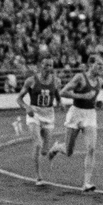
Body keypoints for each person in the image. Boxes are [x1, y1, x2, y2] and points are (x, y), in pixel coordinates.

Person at [46, 53, 103, 191]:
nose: (100, 67)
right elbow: (62, 92)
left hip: (90, 114)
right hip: (76, 113)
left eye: (102, 65)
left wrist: (97, 103)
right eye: (98, 64)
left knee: (91, 148)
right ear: (91, 65)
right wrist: (81, 95)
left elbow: (92, 99)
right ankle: (56, 148)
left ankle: (86, 183)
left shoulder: (100, 82)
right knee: (69, 151)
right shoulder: (80, 77)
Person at [15, 57, 62, 185]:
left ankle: (54, 149)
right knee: (37, 144)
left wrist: (60, 103)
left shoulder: (56, 81)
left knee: (44, 151)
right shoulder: (31, 80)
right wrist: (27, 107)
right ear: (41, 66)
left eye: (50, 65)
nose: (48, 68)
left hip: (48, 115)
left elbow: (56, 94)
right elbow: (19, 99)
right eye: (46, 65)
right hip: (34, 113)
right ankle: (38, 177)